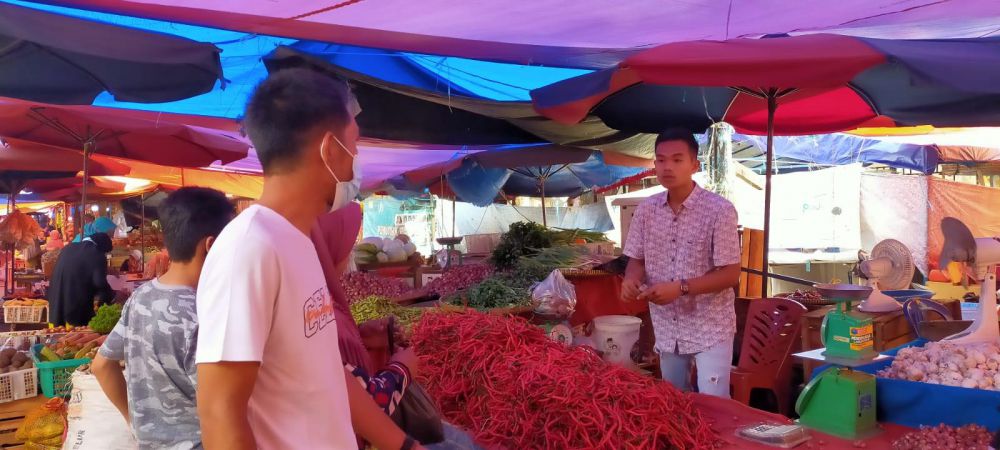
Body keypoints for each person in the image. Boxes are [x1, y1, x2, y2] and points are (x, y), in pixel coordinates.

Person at [196, 68, 423, 450]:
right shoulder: (249, 249)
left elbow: (328, 373)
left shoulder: (298, 243)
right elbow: (220, 412)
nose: (357, 160)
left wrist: (403, 445)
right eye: (354, 144)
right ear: (330, 149)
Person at [91, 187, 234, 450]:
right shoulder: (203, 314)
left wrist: (134, 422)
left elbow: (101, 366)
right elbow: (221, 409)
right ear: (211, 245)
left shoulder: (141, 297)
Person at [621, 128, 742, 398]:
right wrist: (631, 279)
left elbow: (730, 274)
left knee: (714, 404)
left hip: (710, 326)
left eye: (677, 160)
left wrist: (680, 288)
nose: (667, 167)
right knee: (674, 403)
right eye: (661, 160)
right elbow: (636, 259)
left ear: (694, 165)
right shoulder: (646, 210)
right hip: (667, 326)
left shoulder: (719, 210)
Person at [47, 229, 117, 326]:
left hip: (56, 300)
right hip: (76, 304)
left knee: (59, 331)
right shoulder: (97, 254)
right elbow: (99, 282)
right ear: (102, 247)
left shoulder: (68, 248)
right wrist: (111, 295)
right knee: (77, 331)